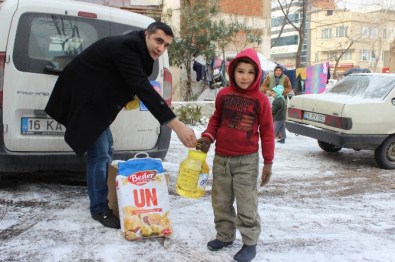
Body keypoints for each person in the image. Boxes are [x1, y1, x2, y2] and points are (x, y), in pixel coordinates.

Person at [45, 22, 197, 229]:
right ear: (147, 35)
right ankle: (99, 208)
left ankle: (104, 195)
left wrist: (129, 95)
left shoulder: (142, 53)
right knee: (98, 154)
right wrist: (177, 126)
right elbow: (143, 87)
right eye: (158, 41)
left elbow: (130, 79)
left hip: (98, 100)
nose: (161, 48)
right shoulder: (127, 47)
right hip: (84, 99)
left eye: (166, 45)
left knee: (107, 149)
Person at [196, 48, 275, 262]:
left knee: (246, 202)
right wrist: (207, 137)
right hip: (221, 158)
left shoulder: (261, 100)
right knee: (220, 200)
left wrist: (268, 162)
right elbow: (216, 120)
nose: (245, 76)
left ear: (257, 74)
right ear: (233, 71)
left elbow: (267, 132)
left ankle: (250, 243)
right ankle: (225, 236)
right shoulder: (224, 95)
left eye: (251, 72)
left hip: (246, 161)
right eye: (241, 71)